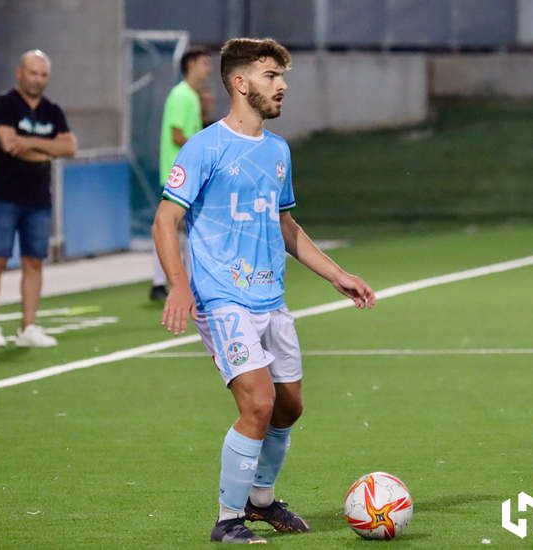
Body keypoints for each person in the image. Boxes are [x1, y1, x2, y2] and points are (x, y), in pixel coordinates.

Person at [153, 38, 376, 544]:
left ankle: (260, 499)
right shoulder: (206, 146)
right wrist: (180, 286)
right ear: (240, 82)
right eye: (271, 75)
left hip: (269, 300)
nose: (282, 85)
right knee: (256, 403)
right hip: (221, 299)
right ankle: (228, 519)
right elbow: (166, 221)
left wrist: (336, 274)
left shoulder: (277, 151)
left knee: (288, 407)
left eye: (281, 76)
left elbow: (285, 224)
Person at [0, 49, 77, 348]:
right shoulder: (4, 104)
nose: (38, 79)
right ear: (19, 73)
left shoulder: (53, 110)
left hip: (38, 198)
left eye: (43, 74)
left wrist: (31, 144)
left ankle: (28, 326)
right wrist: (49, 148)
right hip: (4, 195)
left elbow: (70, 148)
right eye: (33, 73)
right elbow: (9, 145)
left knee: (34, 261)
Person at [151, 47, 212, 301]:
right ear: (191, 65)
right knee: (174, 226)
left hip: (187, 174)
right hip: (179, 174)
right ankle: (163, 282)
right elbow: (177, 134)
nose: (208, 68)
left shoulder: (193, 96)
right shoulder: (181, 95)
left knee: (182, 228)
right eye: (204, 63)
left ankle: (167, 282)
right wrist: (204, 153)